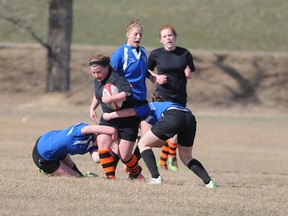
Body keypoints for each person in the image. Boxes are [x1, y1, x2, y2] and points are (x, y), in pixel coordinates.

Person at [103, 100, 217, 188]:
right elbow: (158, 143)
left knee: (143, 143)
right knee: (186, 157)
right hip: (189, 118)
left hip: (173, 117)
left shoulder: (146, 107)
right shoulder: (160, 109)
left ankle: (156, 178)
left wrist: (110, 115)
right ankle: (209, 182)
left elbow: (132, 111)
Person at [147, 24, 196, 172]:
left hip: (180, 96)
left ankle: (166, 160)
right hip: (162, 96)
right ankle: (168, 160)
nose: (168, 38)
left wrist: (188, 74)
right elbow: (146, 70)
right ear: (161, 40)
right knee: (164, 128)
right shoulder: (156, 54)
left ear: (175, 37)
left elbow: (190, 70)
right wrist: (156, 77)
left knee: (176, 129)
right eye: (164, 36)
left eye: (170, 35)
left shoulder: (184, 53)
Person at [89, 53, 144, 180]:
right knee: (102, 143)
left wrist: (110, 99)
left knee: (125, 157)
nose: (96, 75)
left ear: (107, 67)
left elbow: (127, 93)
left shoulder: (117, 77)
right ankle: (110, 178)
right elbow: (98, 94)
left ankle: (136, 173)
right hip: (108, 118)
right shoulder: (97, 80)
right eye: (93, 73)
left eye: (99, 72)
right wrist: (92, 108)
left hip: (127, 121)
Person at [110, 20, 156, 166]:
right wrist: (123, 85)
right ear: (128, 34)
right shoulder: (119, 53)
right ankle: (113, 170)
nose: (138, 37)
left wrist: (152, 76)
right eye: (135, 34)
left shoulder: (143, 52)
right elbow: (111, 76)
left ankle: (132, 168)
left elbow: (143, 70)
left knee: (147, 138)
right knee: (125, 146)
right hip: (128, 101)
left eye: (140, 35)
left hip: (142, 100)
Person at [32, 122, 118, 177]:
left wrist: (110, 151)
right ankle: (46, 170)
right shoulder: (84, 129)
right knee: (77, 178)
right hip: (43, 155)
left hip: (56, 152)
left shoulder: (93, 145)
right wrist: (113, 131)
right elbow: (89, 128)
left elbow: (96, 159)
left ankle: (58, 170)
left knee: (78, 175)